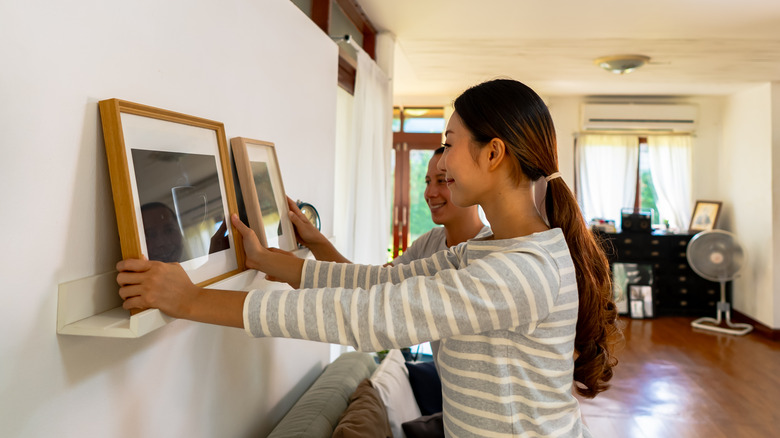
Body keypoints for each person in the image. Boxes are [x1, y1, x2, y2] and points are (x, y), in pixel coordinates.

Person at [117, 78, 619, 437]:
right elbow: (380, 284)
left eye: (449, 146)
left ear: (493, 154)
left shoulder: (520, 272)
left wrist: (190, 302)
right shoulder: (488, 251)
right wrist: (272, 261)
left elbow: (375, 317)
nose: (440, 162)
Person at [285, 147, 487, 266]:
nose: (430, 193)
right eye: (427, 182)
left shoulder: (488, 253)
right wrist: (315, 241)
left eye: (442, 181)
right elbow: (373, 283)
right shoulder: (429, 243)